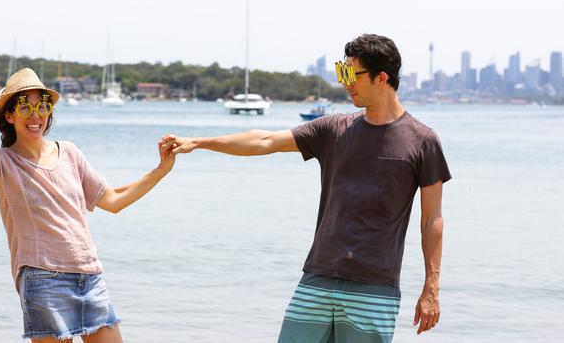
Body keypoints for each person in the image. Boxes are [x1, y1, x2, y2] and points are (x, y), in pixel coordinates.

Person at [164, 34, 451, 342]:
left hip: (374, 288)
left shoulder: (422, 141)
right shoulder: (333, 130)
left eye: (352, 75)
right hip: (317, 278)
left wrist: (431, 288)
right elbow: (264, 141)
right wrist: (200, 142)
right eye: (343, 72)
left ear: (381, 78)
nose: (345, 82)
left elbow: (431, 219)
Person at [0, 68, 176, 343]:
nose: (35, 115)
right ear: (9, 116)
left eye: (42, 105)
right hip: (43, 278)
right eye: (24, 107)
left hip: (89, 275)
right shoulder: (2, 163)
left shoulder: (70, 153)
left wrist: (160, 171)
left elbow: (112, 200)